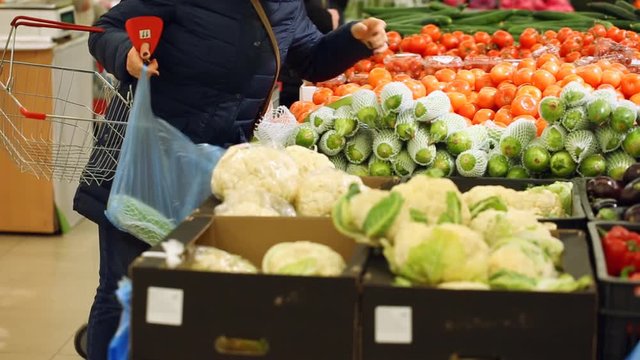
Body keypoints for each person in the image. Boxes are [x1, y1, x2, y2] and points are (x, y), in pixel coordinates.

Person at [72, 1, 387, 359]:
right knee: (123, 287)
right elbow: (105, 30)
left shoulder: (283, 5)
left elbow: (310, 58)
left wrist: (353, 37)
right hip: (144, 162)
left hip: (213, 170)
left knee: (188, 287)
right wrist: (127, 55)